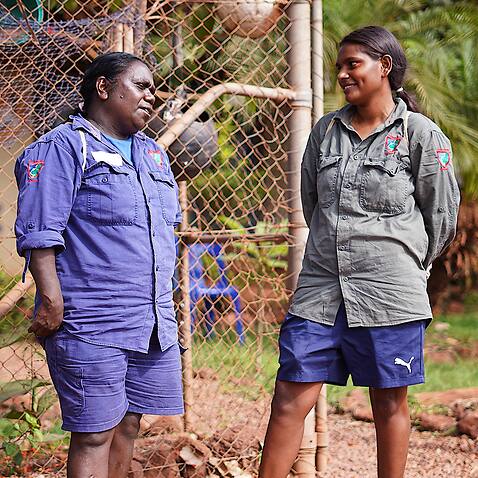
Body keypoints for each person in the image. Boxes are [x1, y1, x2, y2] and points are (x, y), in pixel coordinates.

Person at [259, 25, 460, 478]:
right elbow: (313, 205)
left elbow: (442, 217)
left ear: (384, 67)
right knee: (290, 394)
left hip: (390, 293)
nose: (343, 74)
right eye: (339, 67)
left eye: (354, 64)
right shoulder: (325, 133)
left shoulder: (422, 136)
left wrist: (404, 266)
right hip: (321, 290)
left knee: (389, 401)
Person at [14, 52, 184, 478]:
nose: (153, 95)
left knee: (129, 424)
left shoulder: (153, 155)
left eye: (154, 87)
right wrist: (50, 298)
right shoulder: (63, 148)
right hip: (92, 318)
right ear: (104, 88)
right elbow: (41, 231)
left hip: (150, 321)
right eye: (141, 85)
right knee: (94, 432)